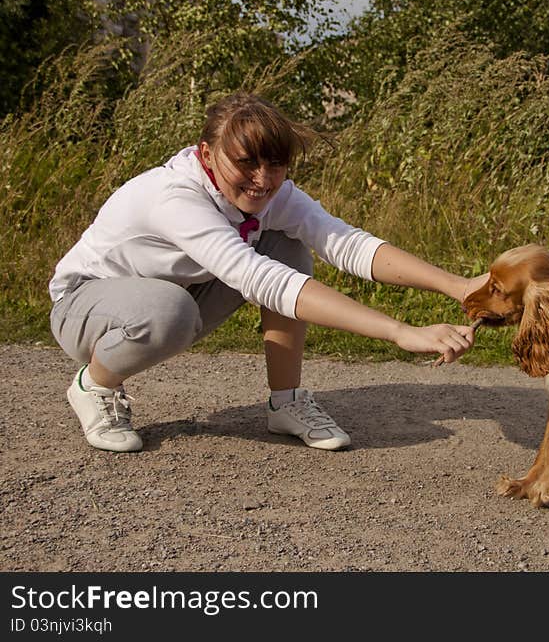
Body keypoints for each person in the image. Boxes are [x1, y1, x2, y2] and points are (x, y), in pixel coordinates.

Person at [49, 92, 486, 453]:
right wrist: (399, 331)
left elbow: (344, 242)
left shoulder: (270, 193)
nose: (263, 179)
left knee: (286, 242)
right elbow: (263, 280)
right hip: (87, 307)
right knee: (172, 309)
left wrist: (460, 286)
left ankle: (286, 402)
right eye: (246, 163)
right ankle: (96, 385)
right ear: (207, 154)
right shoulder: (174, 197)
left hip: (178, 294)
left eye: (275, 164)